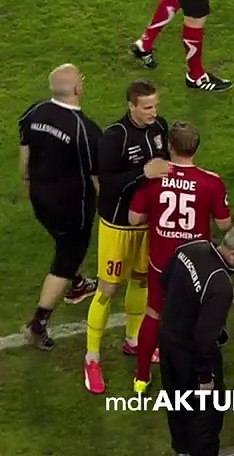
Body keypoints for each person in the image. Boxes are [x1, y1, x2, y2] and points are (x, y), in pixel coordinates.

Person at [127, 121, 233, 394]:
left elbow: (134, 218)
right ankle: (194, 374)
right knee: (197, 320)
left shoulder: (153, 179)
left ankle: (141, 378)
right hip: (197, 266)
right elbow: (224, 224)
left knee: (153, 314)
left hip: (161, 262)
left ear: (169, 146)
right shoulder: (211, 181)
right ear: (196, 148)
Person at [85, 80, 170, 395]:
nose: (153, 112)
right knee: (107, 287)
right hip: (117, 223)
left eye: (155, 106)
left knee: (141, 279)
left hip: (147, 224)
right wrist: (143, 174)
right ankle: (91, 357)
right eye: (147, 107)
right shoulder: (114, 137)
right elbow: (107, 182)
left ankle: (133, 339)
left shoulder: (159, 126)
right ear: (131, 106)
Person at [159, 225, 234, 456]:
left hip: (167, 340)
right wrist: (205, 376)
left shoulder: (192, 247)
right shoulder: (220, 283)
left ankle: (183, 450)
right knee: (208, 414)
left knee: (177, 403)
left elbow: (164, 280)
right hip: (191, 355)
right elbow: (205, 339)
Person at [19, 64, 102, 350]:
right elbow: (96, 176)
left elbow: (25, 149)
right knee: (64, 260)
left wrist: (27, 183)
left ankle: (78, 283)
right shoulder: (85, 130)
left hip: (40, 198)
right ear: (78, 88)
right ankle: (37, 323)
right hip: (73, 206)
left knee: (62, 241)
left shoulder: (35, 111)